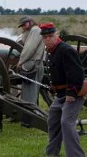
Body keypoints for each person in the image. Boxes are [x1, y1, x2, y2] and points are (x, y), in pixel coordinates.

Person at [40, 22, 85, 157]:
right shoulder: (52, 51)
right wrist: (54, 87)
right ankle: (52, 153)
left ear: (56, 35)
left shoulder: (66, 50)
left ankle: (76, 155)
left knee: (66, 123)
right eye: (45, 37)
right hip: (61, 94)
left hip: (73, 94)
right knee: (53, 120)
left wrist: (71, 94)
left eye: (50, 36)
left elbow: (77, 75)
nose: (47, 39)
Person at [16, 16, 45, 105]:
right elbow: (23, 42)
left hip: (32, 65)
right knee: (30, 93)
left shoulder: (35, 30)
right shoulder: (30, 31)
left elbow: (29, 48)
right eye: (22, 26)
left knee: (29, 95)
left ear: (31, 22)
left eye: (25, 24)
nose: (23, 27)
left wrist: (20, 62)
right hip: (33, 64)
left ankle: (29, 115)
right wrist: (25, 31)